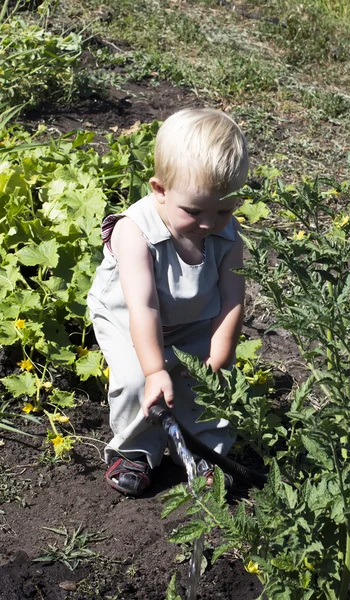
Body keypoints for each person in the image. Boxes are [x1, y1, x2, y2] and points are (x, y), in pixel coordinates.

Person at [87, 107, 248, 496]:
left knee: (204, 385)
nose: (209, 223)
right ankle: (134, 451)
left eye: (224, 210)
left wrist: (219, 357)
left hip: (191, 320)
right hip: (131, 320)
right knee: (136, 379)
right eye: (193, 211)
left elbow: (231, 299)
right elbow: (143, 306)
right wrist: (156, 368)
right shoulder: (135, 232)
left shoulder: (227, 235)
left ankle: (205, 451)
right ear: (159, 190)